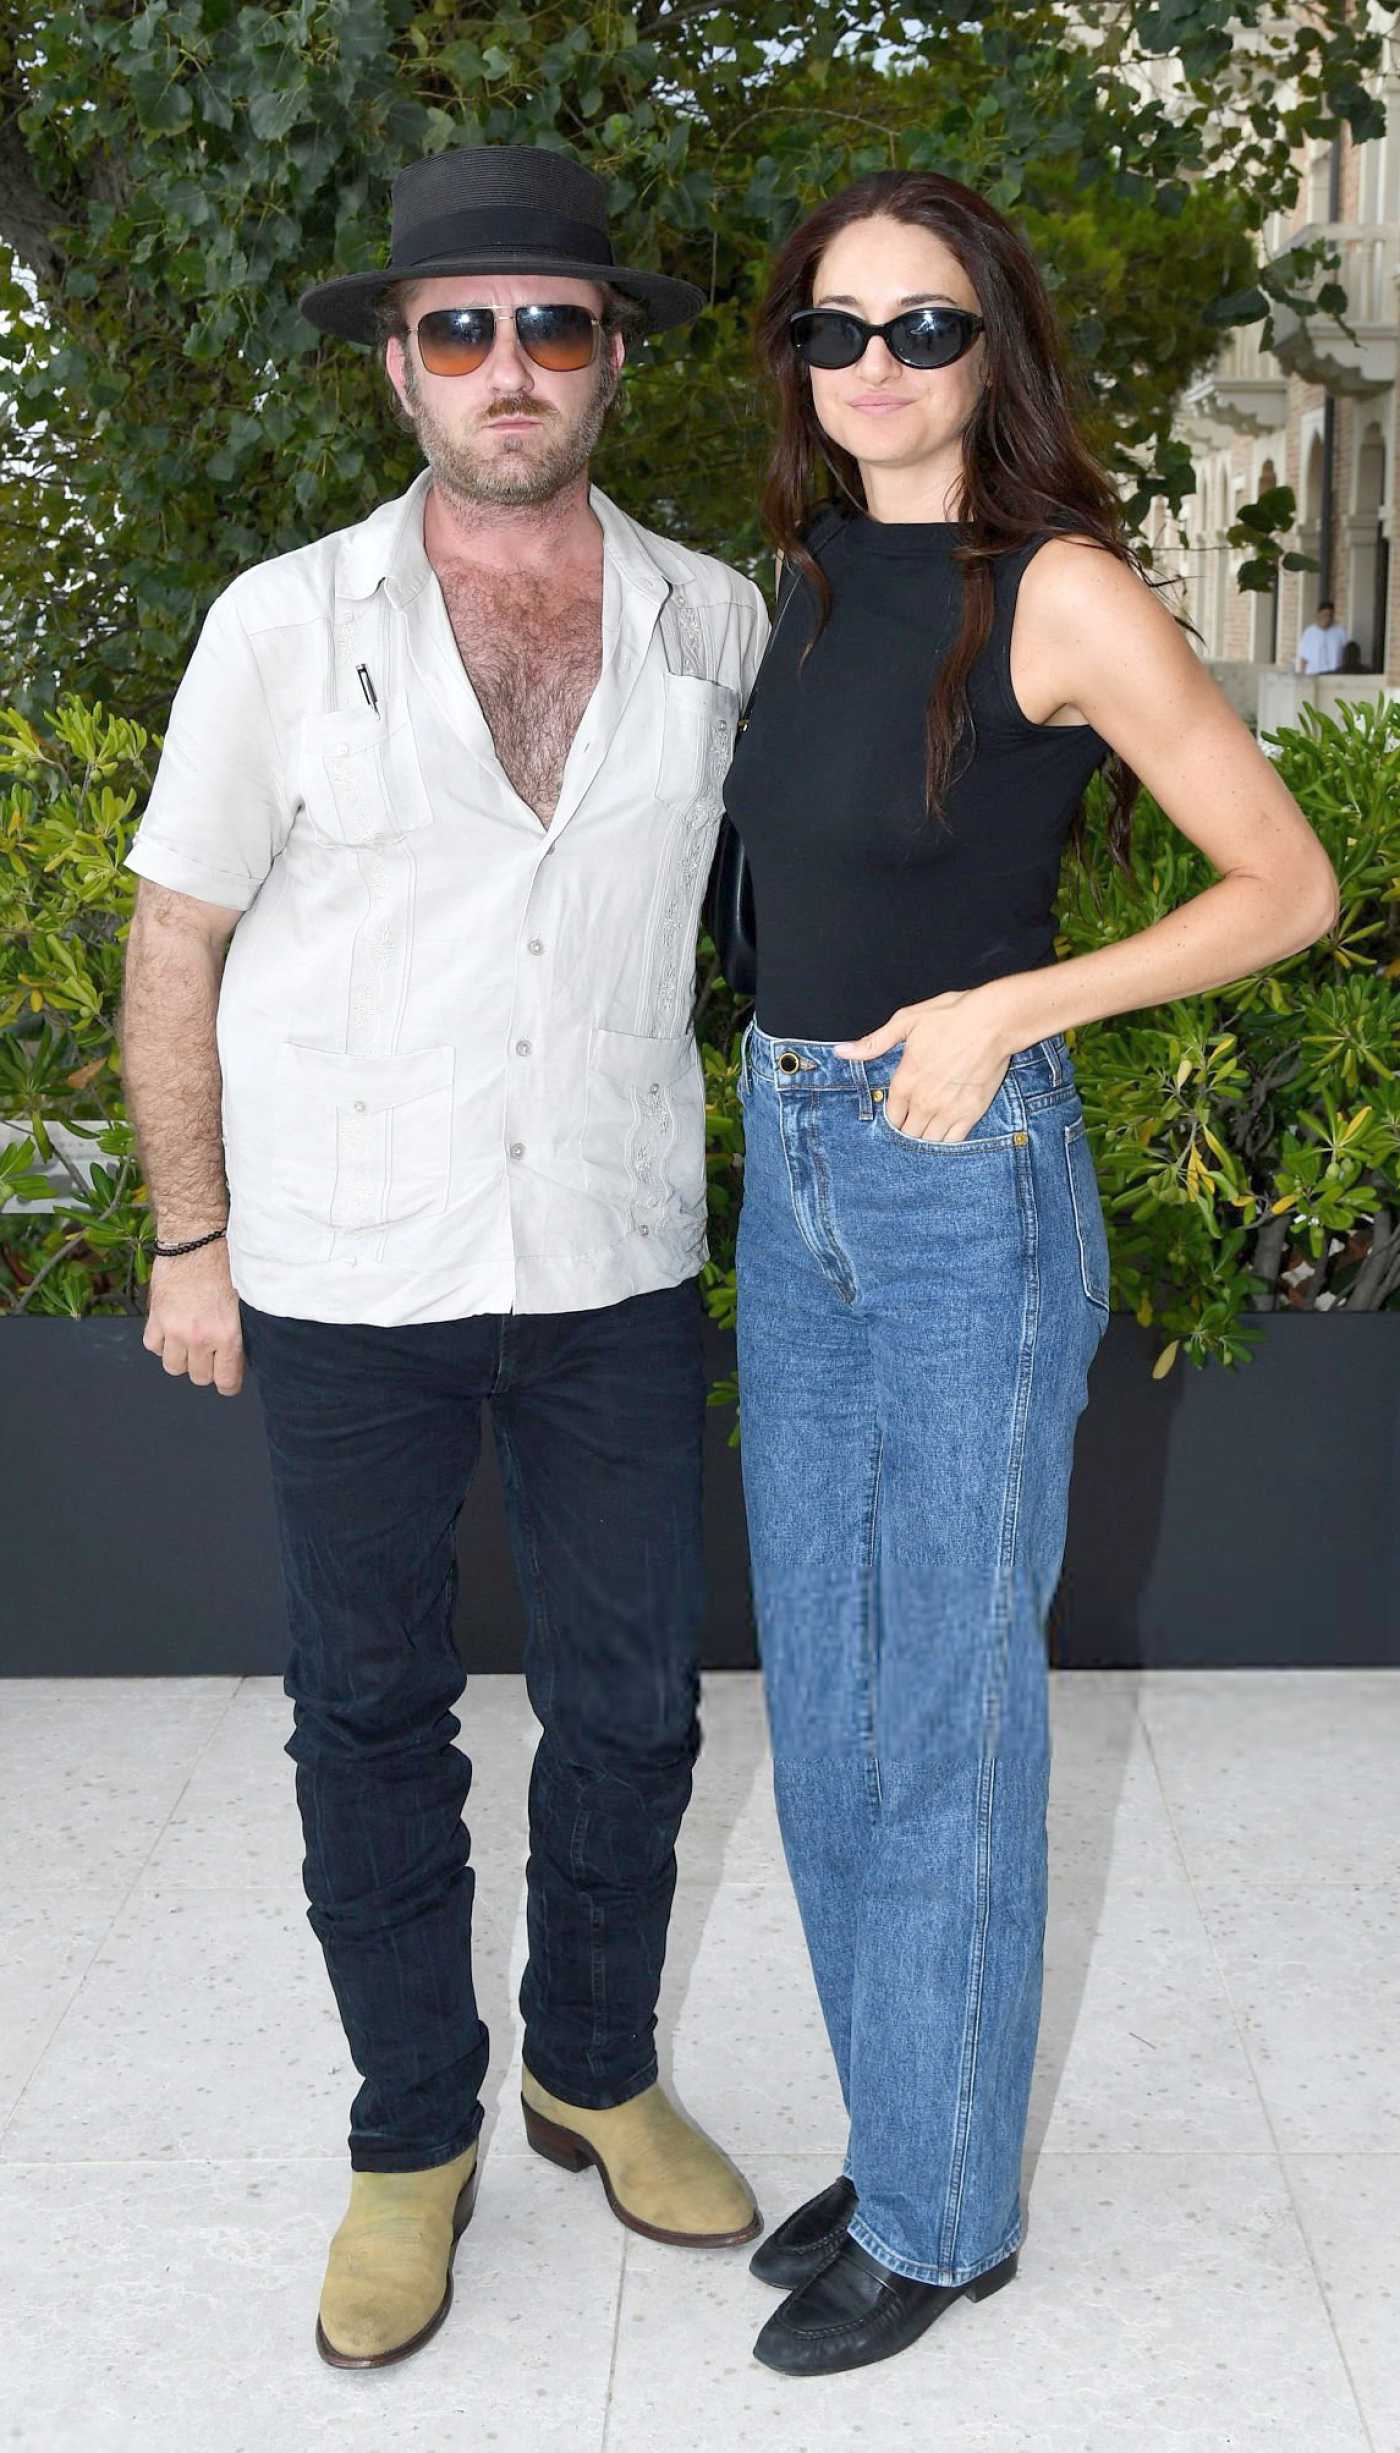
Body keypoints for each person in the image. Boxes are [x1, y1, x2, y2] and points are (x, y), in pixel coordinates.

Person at [117, 141, 768, 2373]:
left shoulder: (713, 619)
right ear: (397, 365)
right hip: (342, 1263)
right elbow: (173, 939)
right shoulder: (278, 627)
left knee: (628, 1702)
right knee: (368, 1708)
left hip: (607, 1243)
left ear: (612, 358)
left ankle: (591, 2061)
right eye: (462, 327)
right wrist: (189, 1236)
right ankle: (414, 2132)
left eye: (554, 324)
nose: (510, 367)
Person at [719, 168, 1339, 2380]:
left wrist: (1013, 1007)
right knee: (824, 1700)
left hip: (956, 1180)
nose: (875, 367)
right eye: (836, 327)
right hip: (791, 1169)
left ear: (1000, 348)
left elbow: (1286, 885)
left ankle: (946, 2212)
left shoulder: (1052, 590)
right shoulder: (799, 582)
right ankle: (913, 2115)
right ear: (796, 356)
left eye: (925, 326)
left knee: (939, 1717)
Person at [1295, 598, 1351, 673]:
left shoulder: (1340, 632)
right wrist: (1302, 676)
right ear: (1318, 614)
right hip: (1314, 675)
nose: (1327, 618)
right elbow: (1303, 657)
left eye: (1330, 615)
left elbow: (1347, 654)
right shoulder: (1309, 633)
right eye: (1325, 615)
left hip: (1334, 675)